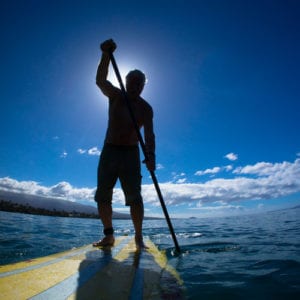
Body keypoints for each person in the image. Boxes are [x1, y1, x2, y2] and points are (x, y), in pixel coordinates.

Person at [93, 39, 156, 249]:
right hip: (110, 150)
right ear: (126, 82)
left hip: (130, 154)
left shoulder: (146, 109)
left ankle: (138, 237)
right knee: (103, 194)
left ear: (143, 86)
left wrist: (151, 157)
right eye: (132, 82)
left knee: (135, 198)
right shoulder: (116, 95)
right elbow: (101, 81)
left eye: (140, 83)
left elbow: (149, 136)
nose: (136, 86)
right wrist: (105, 55)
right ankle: (109, 235)